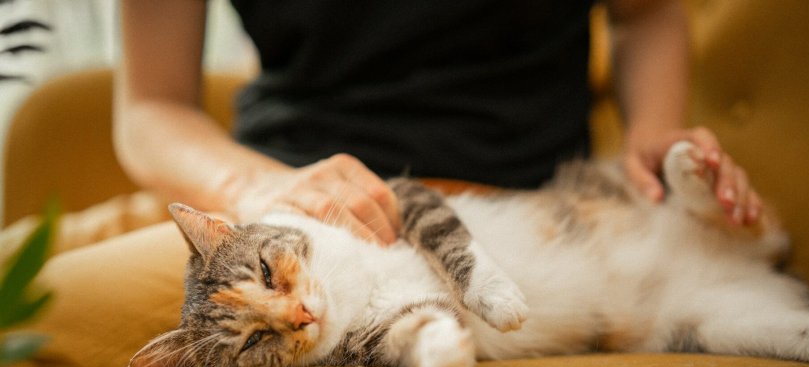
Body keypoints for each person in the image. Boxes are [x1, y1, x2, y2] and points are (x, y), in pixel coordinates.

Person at [115, 0, 762, 248]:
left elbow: (644, 13)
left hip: (501, 207)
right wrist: (251, 189)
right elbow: (150, 107)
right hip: (263, 193)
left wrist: (654, 127)